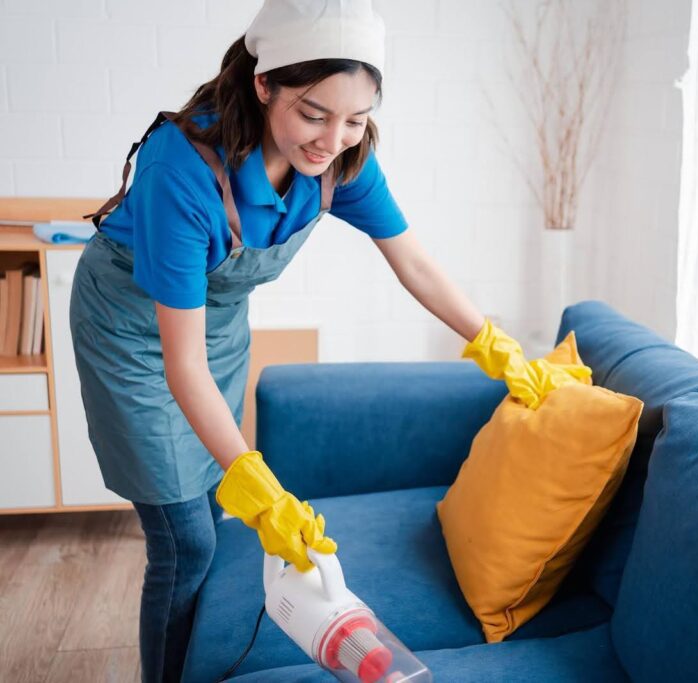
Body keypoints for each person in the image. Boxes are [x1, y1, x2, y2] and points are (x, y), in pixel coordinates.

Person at [68, 1, 587, 680]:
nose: (332, 138)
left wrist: (500, 347)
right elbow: (180, 361)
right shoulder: (183, 168)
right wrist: (256, 480)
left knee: (205, 505)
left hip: (213, 323)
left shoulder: (342, 160)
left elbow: (415, 262)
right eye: (314, 113)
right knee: (185, 539)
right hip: (133, 332)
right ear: (263, 83)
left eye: (356, 118)